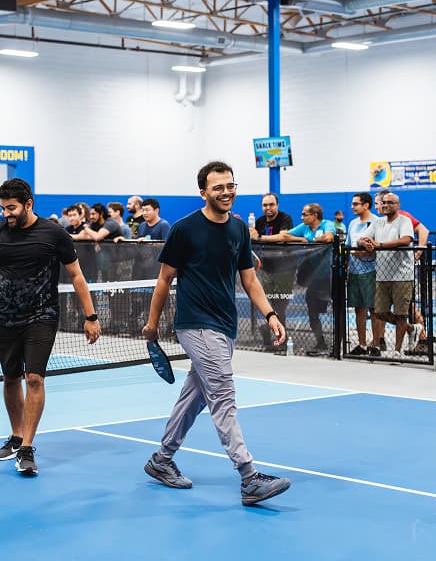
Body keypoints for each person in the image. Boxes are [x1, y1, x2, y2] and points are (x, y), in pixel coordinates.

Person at [142, 161, 290, 506]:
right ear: (203, 192)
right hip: (194, 322)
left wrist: (269, 314)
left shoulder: (239, 229)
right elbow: (164, 280)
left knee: (195, 396)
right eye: (218, 187)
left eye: (231, 186)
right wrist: (151, 325)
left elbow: (249, 278)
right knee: (223, 394)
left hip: (225, 324)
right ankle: (249, 478)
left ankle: (161, 460)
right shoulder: (184, 229)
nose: (226, 192)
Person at [0, 178, 100, 477]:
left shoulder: (53, 233)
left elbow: (77, 275)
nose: (7, 213)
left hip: (42, 316)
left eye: (12, 207)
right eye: (3, 208)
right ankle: (16, 436)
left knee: (34, 379)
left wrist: (91, 316)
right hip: (6, 316)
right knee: (10, 378)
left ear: (28, 204)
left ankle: (28, 447)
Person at [358, 192, 421, 358]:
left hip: (402, 275)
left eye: (390, 202)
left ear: (398, 205)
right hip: (382, 275)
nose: (386, 205)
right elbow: (360, 239)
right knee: (379, 312)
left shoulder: (404, 221)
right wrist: (364, 243)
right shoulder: (378, 222)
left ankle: (397, 351)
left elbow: (405, 240)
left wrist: (379, 244)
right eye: (383, 202)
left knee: (401, 314)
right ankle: (411, 328)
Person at [279, 203, 336, 355]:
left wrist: (312, 241)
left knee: (337, 311)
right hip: (315, 279)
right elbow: (284, 235)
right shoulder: (304, 228)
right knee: (312, 311)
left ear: (314, 215)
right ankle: (321, 342)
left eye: (305, 214)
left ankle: (337, 346)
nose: (302, 217)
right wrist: (302, 240)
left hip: (331, 276)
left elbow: (329, 237)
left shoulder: (327, 224)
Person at [249, 192, 295, 348]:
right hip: (267, 270)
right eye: (265, 205)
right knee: (267, 304)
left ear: (277, 205)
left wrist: (260, 237)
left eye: (271, 204)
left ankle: (281, 339)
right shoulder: (260, 221)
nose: (268, 208)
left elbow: (283, 237)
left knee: (280, 305)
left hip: (284, 270)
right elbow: (252, 237)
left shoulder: (285, 218)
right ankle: (269, 335)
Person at [345, 193, 380, 356]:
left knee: (374, 309)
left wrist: (367, 254)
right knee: (359, 309)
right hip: (354, 272)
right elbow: (347, 246)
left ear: (366, 205)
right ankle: (362, 344)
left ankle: (376, 345)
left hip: (371, 271)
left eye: (356, 204)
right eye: (352, 204)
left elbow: (380, 247)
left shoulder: (377, 222)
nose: (352, 207)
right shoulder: (352, 224)